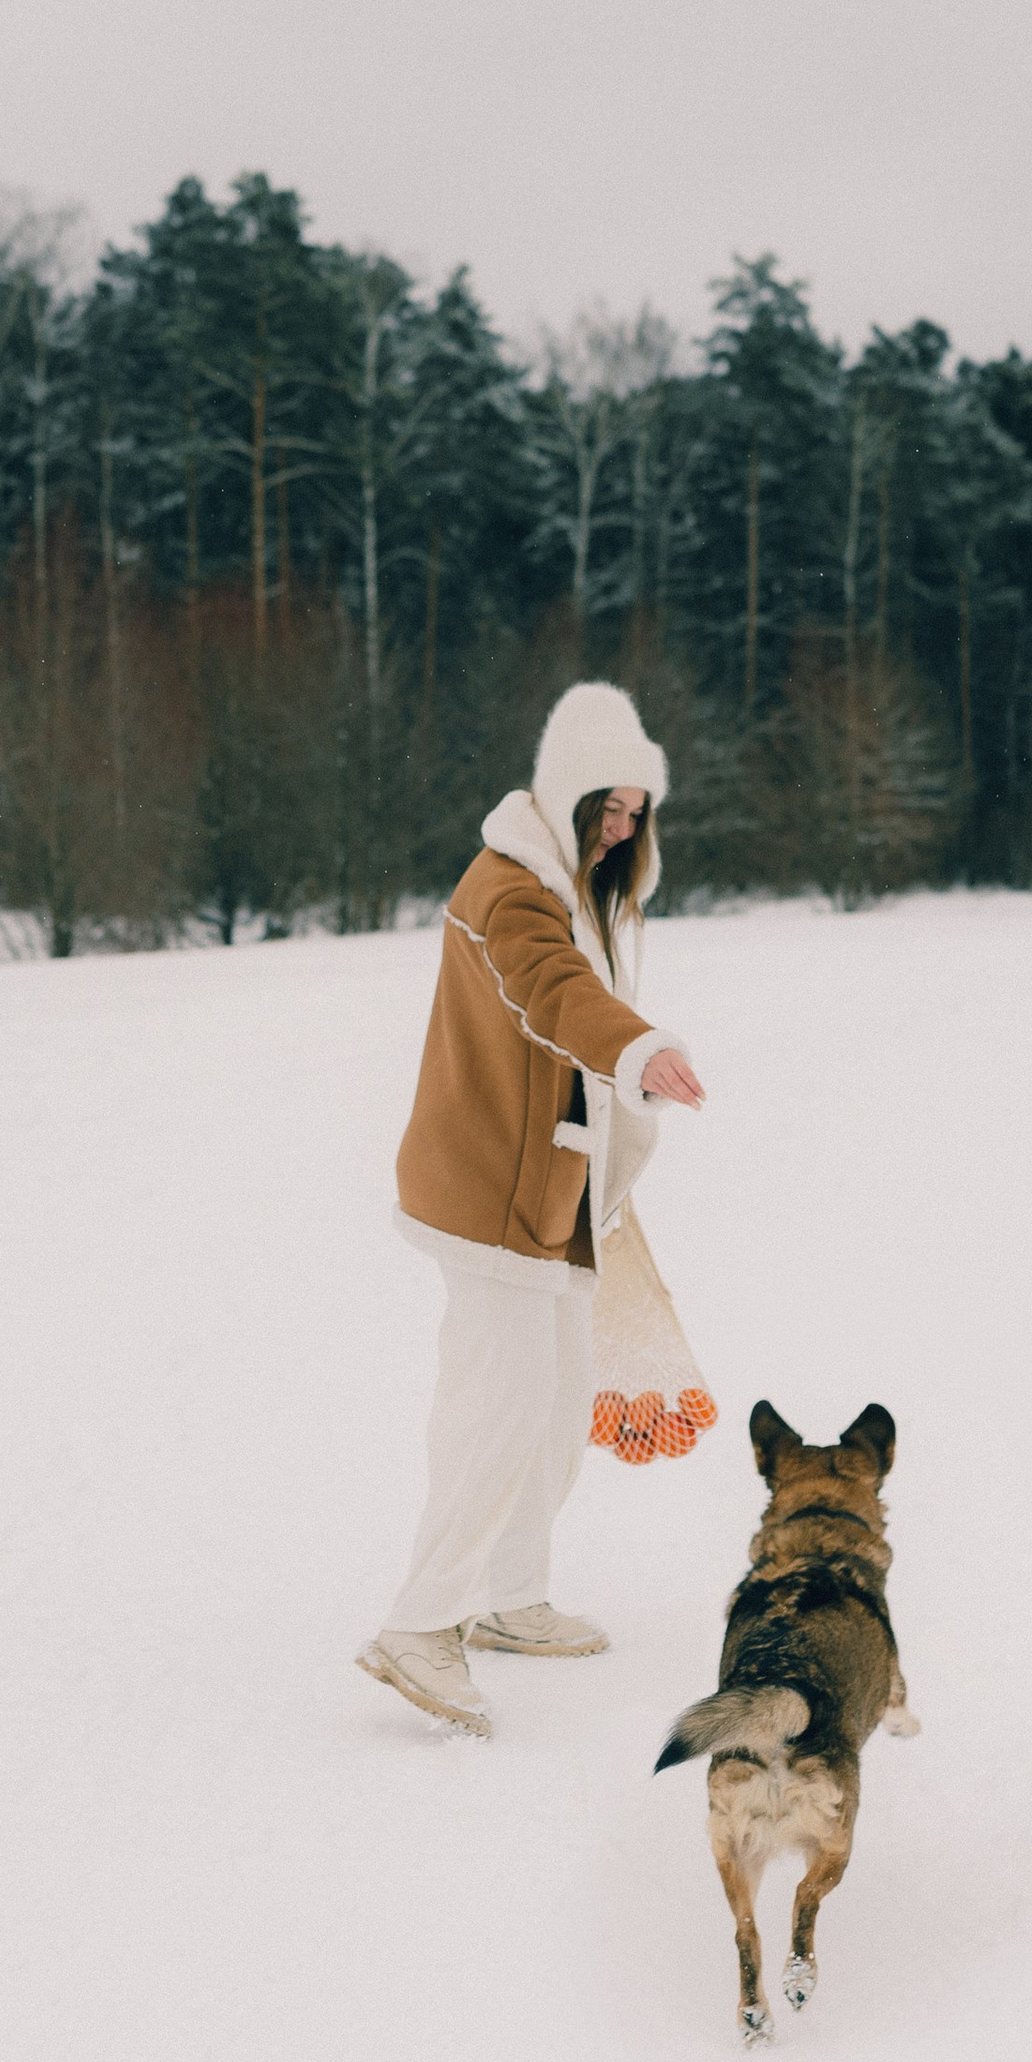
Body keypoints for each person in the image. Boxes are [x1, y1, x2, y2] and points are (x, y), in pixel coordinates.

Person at [358, 682, 706, 1736]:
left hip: (549, 1189)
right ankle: (421, 1625)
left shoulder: (569, 884)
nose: (623, 826)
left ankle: (508, 1596)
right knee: (498, 1407)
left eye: (639, 812)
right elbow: (549, 994)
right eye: (609, 804)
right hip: (488, 1194)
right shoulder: (509, 889)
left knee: (556, 1410)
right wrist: (641, 1047)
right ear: (566, 793)